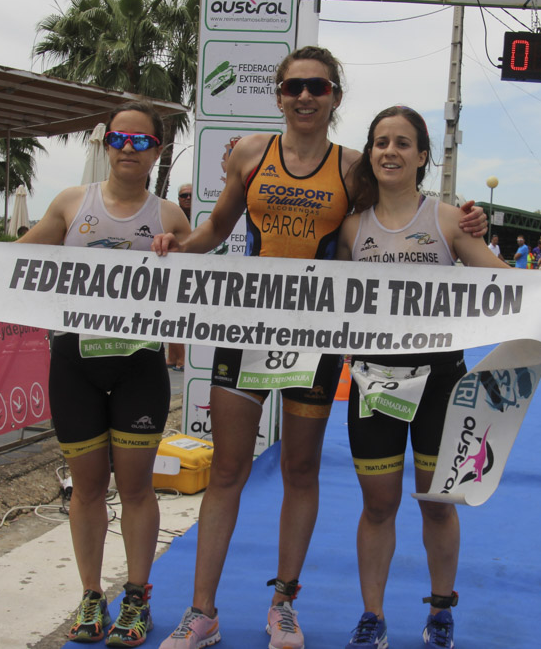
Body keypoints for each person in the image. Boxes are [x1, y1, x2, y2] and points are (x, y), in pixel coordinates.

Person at [152, 47, 487, 649]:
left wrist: (472, 222)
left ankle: (284, 604)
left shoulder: (358, 167)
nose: (305, 96)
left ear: (335, 96)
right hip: (249, 328)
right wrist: (179, 247)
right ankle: (201, 611)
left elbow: (402, 213)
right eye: (294, 86)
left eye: (318, 86)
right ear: (279, 94)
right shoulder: (250, 155)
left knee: (299, 468)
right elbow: (218, 229)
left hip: (316, 336)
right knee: (227, 469)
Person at [0, 102, 191, 644]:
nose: (128, 150)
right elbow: (9, 259)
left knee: (135, 488)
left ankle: (135, 598)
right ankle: (90, 597)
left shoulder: (169, 217)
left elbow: (202, 281)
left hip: (138, 366)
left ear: (157, 151)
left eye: (141, 142)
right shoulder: (71, 203)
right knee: (86, 489)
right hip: (73, 363)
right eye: (119, 140)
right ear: (107, 144)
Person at [335, 106, 541, 649]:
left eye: (402, 143)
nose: (390, 152)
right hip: (374, 384)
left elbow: (504, 278)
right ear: (369, 153)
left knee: (437, 502)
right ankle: (371, 616)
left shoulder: (448, 220)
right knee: (377, 506)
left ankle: (441, 611)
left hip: (442, 383)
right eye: (380, 142)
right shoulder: (352, 226)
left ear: (424, 156)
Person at [165, 183, 193, 372]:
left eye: (191, 195)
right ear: (179, 198)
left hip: (191, 272)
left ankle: (181, 358)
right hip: (173, 272)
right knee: (170, 315)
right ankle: (174, 357)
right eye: (184, 195)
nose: (188, 198)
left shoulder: (203, 216)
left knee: (183, 316)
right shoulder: (172, 215)